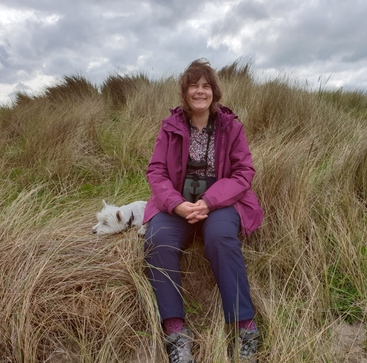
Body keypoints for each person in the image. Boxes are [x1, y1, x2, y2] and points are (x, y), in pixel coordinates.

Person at [143, 59, 263, 363]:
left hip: (219, 202)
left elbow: (243, 173)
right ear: (185, 92)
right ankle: (176, 334)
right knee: (157, 240)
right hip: (177, 204)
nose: (200, 91)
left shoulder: (231, 126)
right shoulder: (170, 127)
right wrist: (177, 205)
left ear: (214, 92)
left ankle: (244, 326)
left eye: (206, 85)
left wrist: (209, 201)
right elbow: (156, 172)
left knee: (221, 237)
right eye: (193, 85)